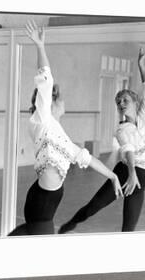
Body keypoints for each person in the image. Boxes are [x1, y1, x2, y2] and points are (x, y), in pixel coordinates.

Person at [9, 21, 123, 236]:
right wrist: (40, 46)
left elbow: (86, 158)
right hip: (42, 205)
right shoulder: (42, 119)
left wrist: (112, 176)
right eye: (61, 98)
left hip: (44, 203)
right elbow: (45, 80)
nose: (65, 102)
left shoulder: (59, 133)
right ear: (52, 102)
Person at [59, 47, 145, 233]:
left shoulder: (144, 116)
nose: (121, 105)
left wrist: (140, 64)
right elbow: (129, 151)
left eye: (125, 101)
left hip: (140, 178)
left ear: (135, 102)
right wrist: (131, 173)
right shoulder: (122, 130)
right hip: (125, 172)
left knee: (129, 228)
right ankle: (72, 222)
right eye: (118, 103)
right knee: (93, 207)